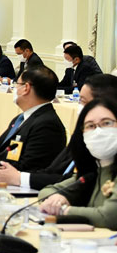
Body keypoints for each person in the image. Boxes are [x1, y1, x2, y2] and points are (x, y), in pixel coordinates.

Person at [0, 73, 117, 190]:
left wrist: (19, 178)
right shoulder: (81, 136)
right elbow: (52, 171)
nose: (79, 106)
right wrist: (6, 172)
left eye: (82, 101)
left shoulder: (105, 142)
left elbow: (78, 180)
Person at [0, 65, 65, 169]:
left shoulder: (47, 125)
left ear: (26, 88)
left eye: (16, 84)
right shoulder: (21, 118)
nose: (15, 88)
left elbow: (26, 167)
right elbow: (1, 154)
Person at [38, 97, 117, 228]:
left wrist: (64, 210)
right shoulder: (94, 170)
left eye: (107, 123)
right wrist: (60, 199)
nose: (98, 132)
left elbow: (109, 217)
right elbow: (46, 192)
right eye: (90, 126)